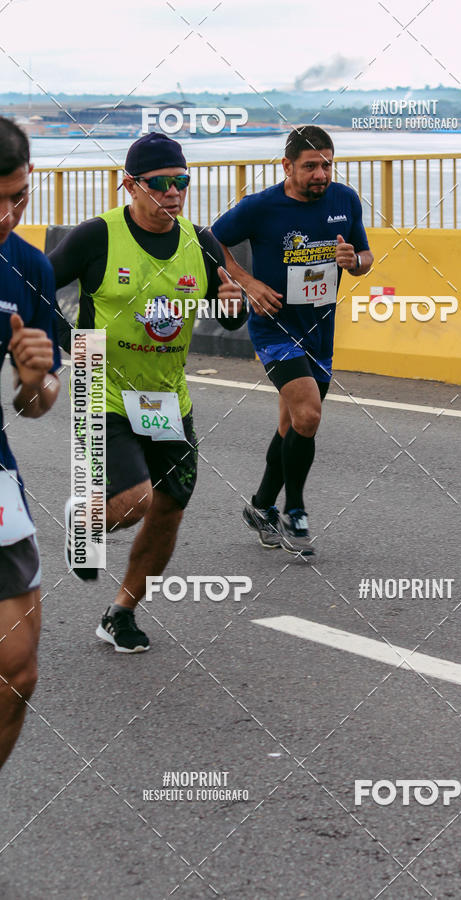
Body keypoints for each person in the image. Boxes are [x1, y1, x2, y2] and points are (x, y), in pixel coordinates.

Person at [50, 132, 246, 653]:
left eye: (182, 181)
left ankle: (120, 612)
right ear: (130, 186)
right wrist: (67, 339)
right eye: (160, 183)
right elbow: (36, 282)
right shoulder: (97, 236)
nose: (174, 192)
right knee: (134, 500)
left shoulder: (198, 242)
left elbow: (230, 319)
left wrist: (233, 303)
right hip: (104, 388)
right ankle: (85, 518)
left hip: (163, 398)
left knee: (169, 507)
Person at [211, 125, 373, 557]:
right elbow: (211, 241)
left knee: (291, 426)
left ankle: (261, 506)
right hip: (276, 326)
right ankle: (294, 509)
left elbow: (366, 259)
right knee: (308, 414)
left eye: (326, 164)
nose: (321, 174)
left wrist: (353, 260)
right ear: (287, 166)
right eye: (310, 166)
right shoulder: (261, 207)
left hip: (320, 328)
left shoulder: (345, 200)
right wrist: (247, 283)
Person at [0, 118, 61, 768]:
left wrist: (34, 379)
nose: (5, 214)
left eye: (17, 196)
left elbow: (36, 406)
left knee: (17, 671)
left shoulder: (29, 267)